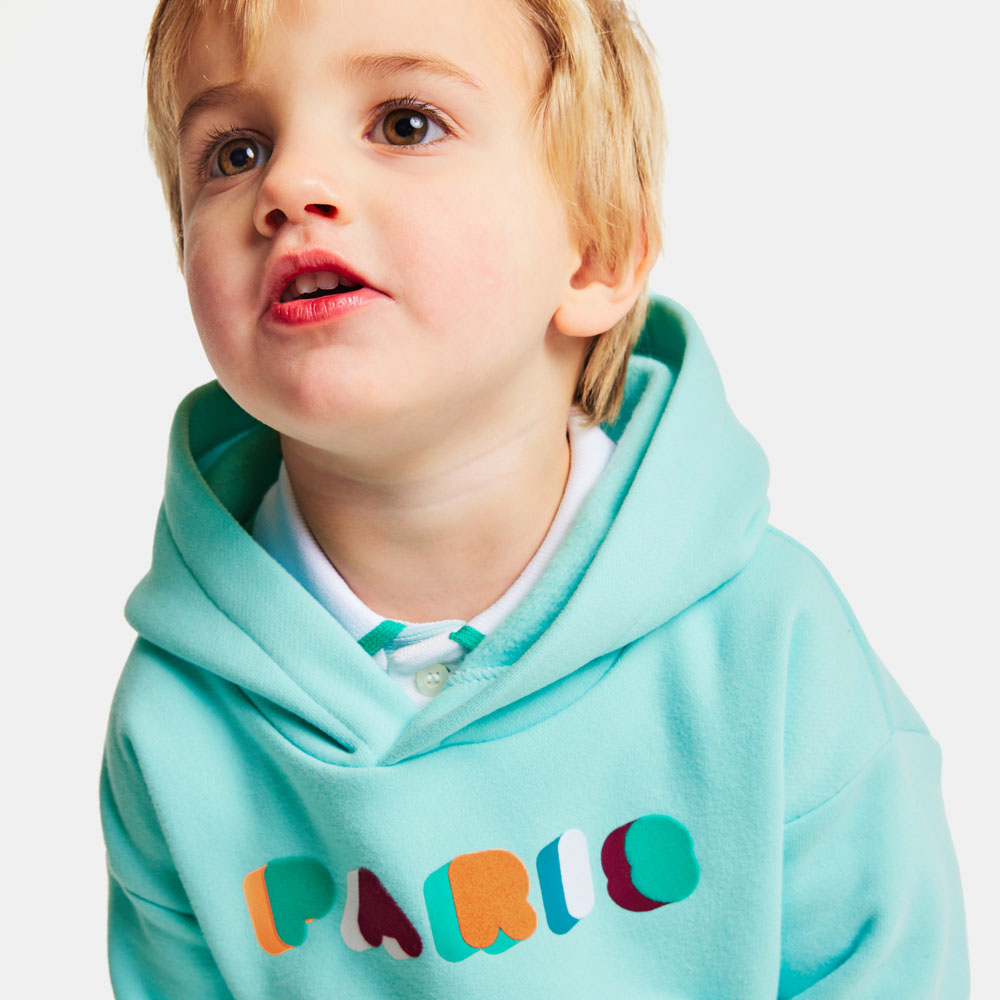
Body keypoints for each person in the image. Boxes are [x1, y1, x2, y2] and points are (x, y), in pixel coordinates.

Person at [100, 0, 969, 996]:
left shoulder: (772, 643)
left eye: (405, 124)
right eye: (235, 151)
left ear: (595, 255)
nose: (289, 183)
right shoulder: (171, 725)